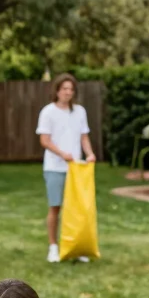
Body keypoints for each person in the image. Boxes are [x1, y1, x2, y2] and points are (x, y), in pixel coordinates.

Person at [36, 73, 95, 264]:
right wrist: (62, 154)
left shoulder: (80, 111)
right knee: (55, 208)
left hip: (76, 169)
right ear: (57, 91)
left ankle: (76, 247)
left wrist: (90, 154)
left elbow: (84, 137)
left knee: (77, 209)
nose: (68, 92)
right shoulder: (48, 112)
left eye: (71, 89)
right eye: (64, 89)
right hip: (55, 167)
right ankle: (53, 247)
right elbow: (44, 140)